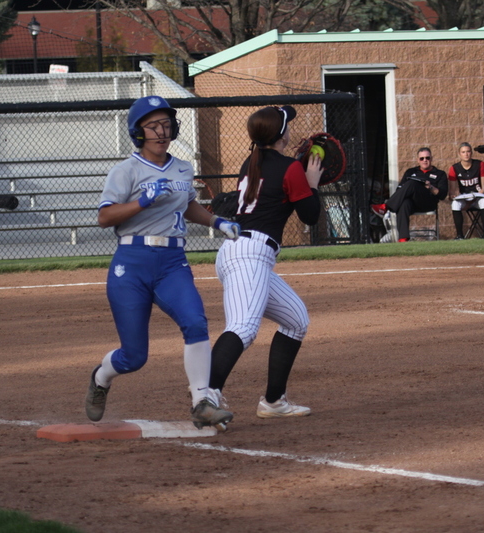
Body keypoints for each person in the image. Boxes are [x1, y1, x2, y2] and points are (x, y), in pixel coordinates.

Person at [84, 95, 238, 431]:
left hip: (172, 261)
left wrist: (217, 222)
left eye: (166, 124)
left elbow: (188, 205)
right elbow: (105, 216)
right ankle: (101, 377)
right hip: (132, 262)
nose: (161, 131)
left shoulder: (182, 167)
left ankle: (202, 403)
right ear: (137, 131)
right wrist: (142, 200)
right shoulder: (125, 170)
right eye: (153, 125)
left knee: (196, 322)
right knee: (134, 357)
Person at [208, 105, 323, 419]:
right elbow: (310, 216)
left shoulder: (252, 160)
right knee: (243, 328)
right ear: (281, 134)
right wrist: (311, 181)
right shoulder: (289, 168)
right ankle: (206, 397)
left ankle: (273, 401)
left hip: (241, 251)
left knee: (296, 320)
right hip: (250, 255)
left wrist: (298, 168)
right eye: (287, 127)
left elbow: (278, 182)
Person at [370, 147, 448, 242]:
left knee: (412, 183)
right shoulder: (411, 172)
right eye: (422, 158)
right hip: (413, 203)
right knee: (404, 203)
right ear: (417, 160)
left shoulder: (440, 174)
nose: (425, 160)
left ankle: (386, 207)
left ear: (431, 158)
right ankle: (403, 238)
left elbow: (442, 195)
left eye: (427, 158)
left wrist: (430, 187)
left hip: (428, 202)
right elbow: (400, 189)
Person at [448, 142, 484, 240]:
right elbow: (452, 192)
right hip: (464, 198)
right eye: (463, 152)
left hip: (477, 198)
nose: (466, 154)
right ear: (459, 154)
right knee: (455, 204)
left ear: (471, 153)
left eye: (468, 151)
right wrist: (453, 196)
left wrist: (474, 198)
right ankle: (459, 235)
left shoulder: (479, 164)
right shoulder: (454, 168)